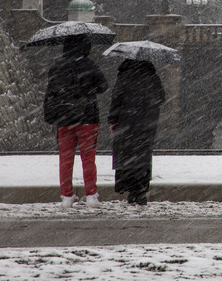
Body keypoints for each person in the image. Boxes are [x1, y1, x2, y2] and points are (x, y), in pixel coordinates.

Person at [43, 34, 109, 208]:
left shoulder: (57, 66)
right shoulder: (89, 64)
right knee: (88, 158)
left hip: (64, 119)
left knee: (65, 158)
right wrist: (88, 89)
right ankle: (91, 196)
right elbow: (103, 86)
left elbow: (51, 92)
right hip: (87, 117)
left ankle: (66, 196)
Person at [108, 59, 166, 206]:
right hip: (146, 124)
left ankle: (130, 189)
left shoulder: (123, 77)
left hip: (126, 123)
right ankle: (140, 190)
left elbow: (116, 99)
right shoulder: (152, 77)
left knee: (127, 156)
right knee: (142, 156)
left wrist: (113, 120)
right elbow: (161, 98)